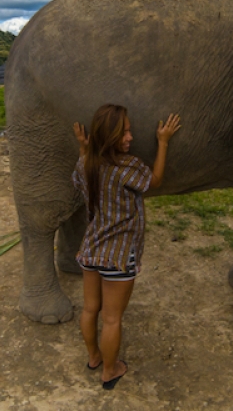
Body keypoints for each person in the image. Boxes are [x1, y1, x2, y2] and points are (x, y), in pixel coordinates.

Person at [72, 104, 180, 390]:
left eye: (129, 131)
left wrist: (83, 149)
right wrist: (163, 142)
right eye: (124, 132)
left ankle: (94, 357)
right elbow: (154, 182)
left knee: (89, 309)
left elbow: (81, 178)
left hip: (90, 250)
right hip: (119, 257)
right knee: (112, 319)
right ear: (108, 137)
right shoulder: (128, 166)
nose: (130, 138)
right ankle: (110, 370)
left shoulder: (85, 164)